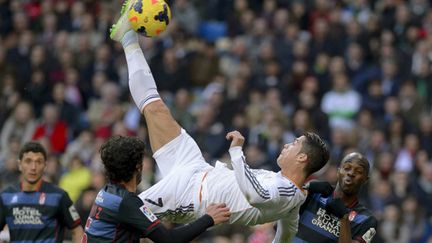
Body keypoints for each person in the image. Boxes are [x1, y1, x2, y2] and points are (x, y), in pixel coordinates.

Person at [109, 1, 330, 242]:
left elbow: (254, 195)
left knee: (119, 215)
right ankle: (128, 38)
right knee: (155, 108)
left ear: (302, 158)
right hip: (196, 167)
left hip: (189, 196)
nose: (287, 145)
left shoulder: (286, 192)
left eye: (295, 144)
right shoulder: (292, 196)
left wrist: (236, 152)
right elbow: (288, 234)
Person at [82, 135, 230, 242]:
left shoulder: (107, 192)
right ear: (138, 168)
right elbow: (169, 240)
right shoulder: (126, 202)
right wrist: (209, 219)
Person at [0, 141, 84, 243]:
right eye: (28, 161)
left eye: (39, 162)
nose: (33, 167)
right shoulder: (6, 196)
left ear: (45, 165)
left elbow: (77, 230)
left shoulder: (59, 196)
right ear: (19, 164)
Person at [294, 152, 378, 243]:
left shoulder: (366, 219)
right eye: (347, 168)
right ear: (338, 172)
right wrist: (304, 188)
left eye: (358, 172)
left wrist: (344, 218)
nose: (351, 173)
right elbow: (280, 215)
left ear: (365, 180)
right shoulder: (315, 192)